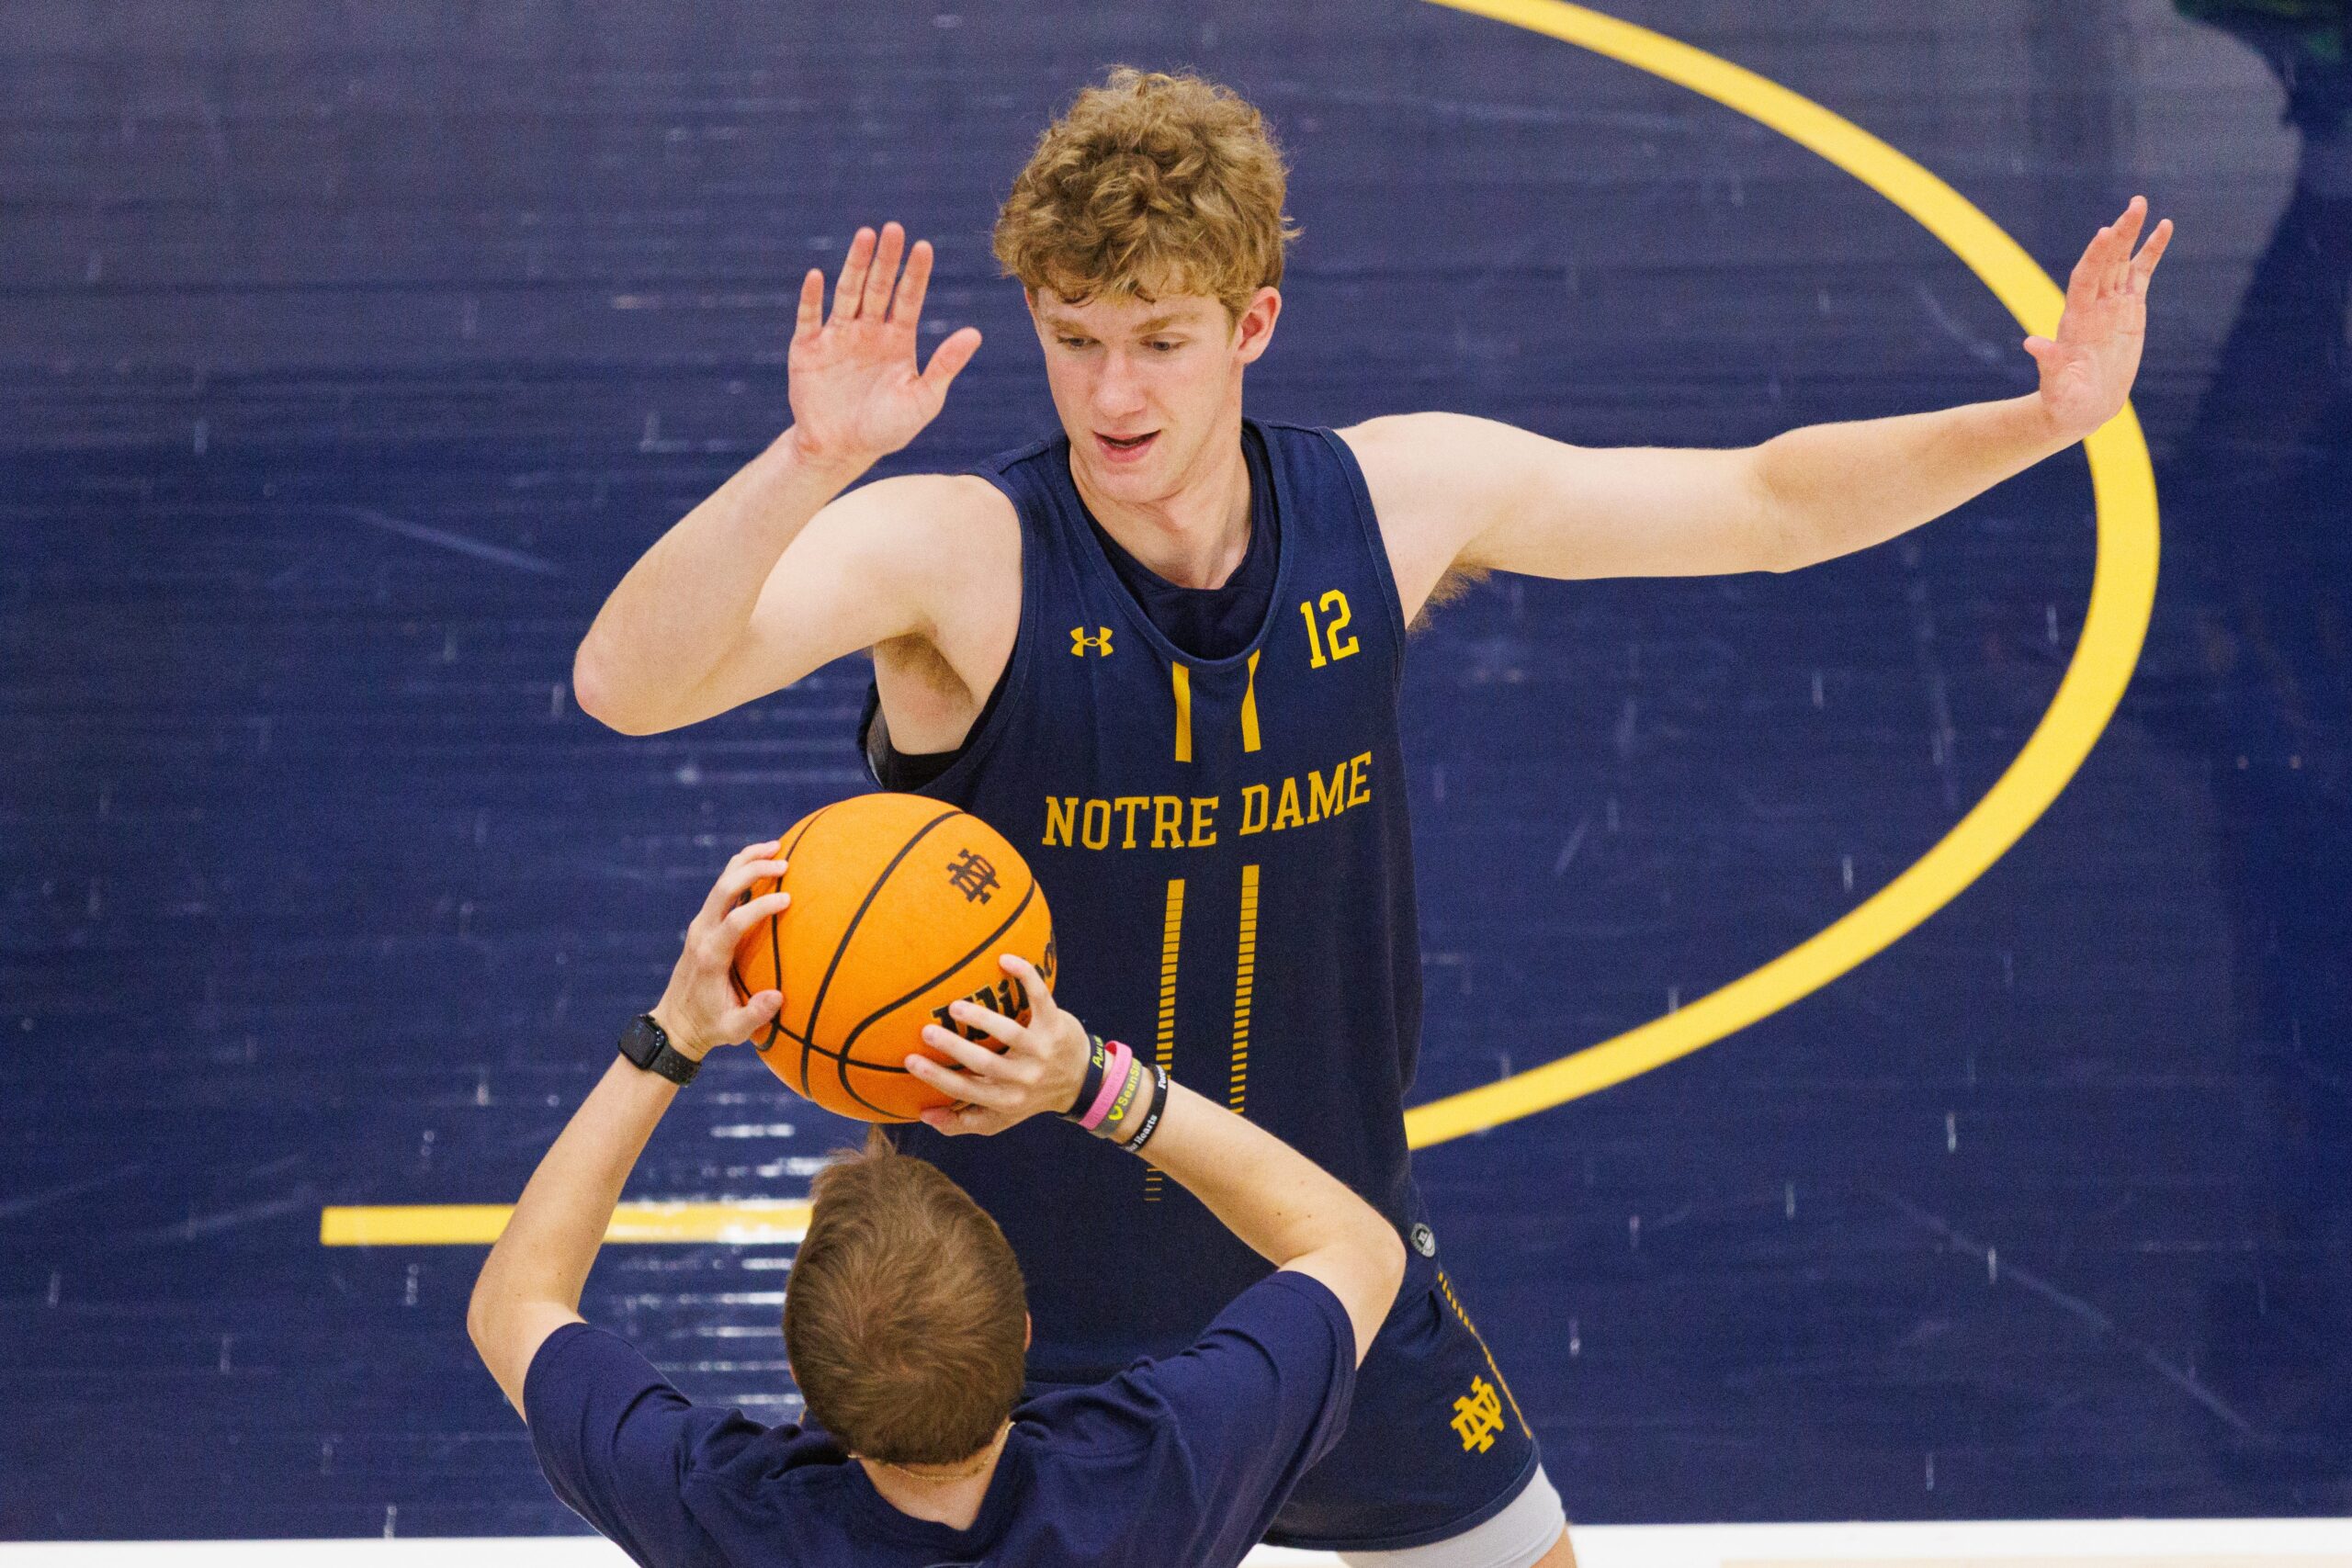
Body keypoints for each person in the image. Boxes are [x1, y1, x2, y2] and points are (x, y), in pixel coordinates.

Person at [568, 67, 2171, 1567]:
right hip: (1009, 1319)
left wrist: (2039, 423)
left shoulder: (1394, 504)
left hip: (1316, 1259)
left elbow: (1763, 504)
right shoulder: (960, 555)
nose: (1110, 392)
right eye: (1072, 338)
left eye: (1159, 338)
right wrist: (811, 457)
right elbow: (628, 687)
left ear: (1252, 320)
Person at [467, 837, 1407, 1568]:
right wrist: (1091, 1082)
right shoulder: (1155, 1478)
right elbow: (1358, 1252)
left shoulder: (731, 1519)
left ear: (804, 1386)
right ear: (1026, 1334)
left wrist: (673, 1034)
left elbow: (515, 1309)